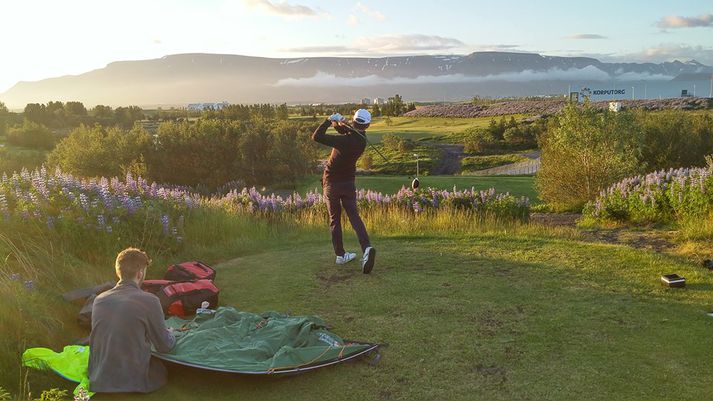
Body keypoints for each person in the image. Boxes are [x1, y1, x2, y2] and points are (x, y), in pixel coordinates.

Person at [89, 247, 176, 393]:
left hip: (99, 377)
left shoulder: (99, 299)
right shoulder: (150, 300)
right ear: (140, 273)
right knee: (161, 368)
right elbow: (164, 346)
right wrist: (171, 334)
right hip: (133, 380)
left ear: (119, 271)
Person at [312, 109, 376, 274]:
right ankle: (367, 247)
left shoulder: (344, 141)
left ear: (354, 121)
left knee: (335, 219)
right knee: (354, 216)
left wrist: (328, 120)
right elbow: (346, 131)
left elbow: (316, 136)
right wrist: (340, 123)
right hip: (348, 184)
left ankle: (340, 255)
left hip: (331, 183)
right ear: (367, 125)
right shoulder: (361, 140)